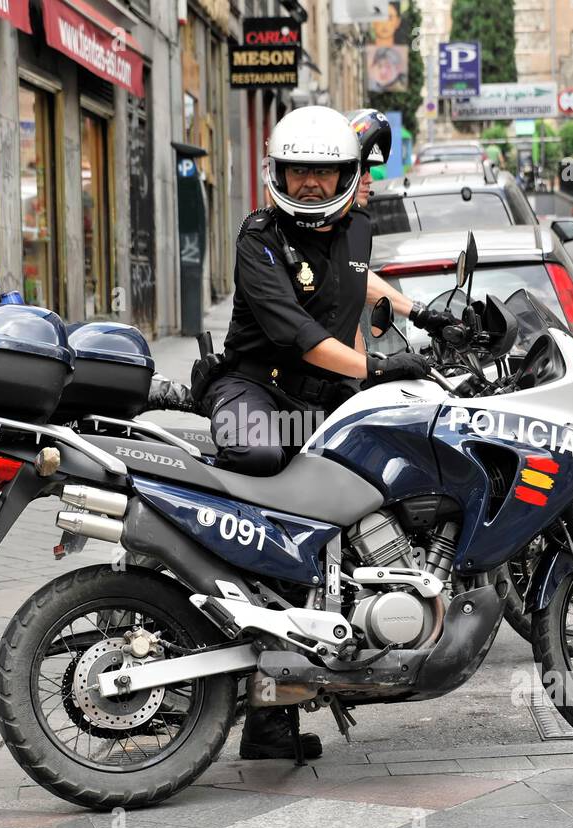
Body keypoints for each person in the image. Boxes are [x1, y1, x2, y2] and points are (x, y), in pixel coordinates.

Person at [189, 106, 442, 759]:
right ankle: (228, 587)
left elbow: (357, 287)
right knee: (264, 457)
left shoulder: (355, 225)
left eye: (322, 172)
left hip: (322, 394)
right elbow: (298, 337)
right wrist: (376, 366)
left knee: (359, 494)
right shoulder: (259, 237)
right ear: (278, 173)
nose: (307, 183)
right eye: (297, 171)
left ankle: (276, 715)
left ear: (346, 176)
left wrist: (424, 315)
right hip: (251, 387)